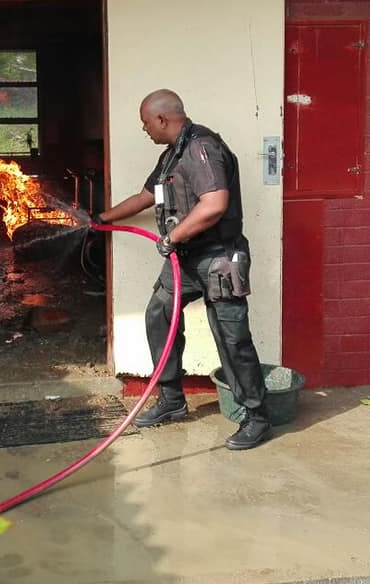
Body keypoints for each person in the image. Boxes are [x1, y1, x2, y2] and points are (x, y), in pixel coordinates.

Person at [91, 89, 270, 450]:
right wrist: (101, 219)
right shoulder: (171, 155)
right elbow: (146, 196)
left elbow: (215, 204)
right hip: (186, 259)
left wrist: (172, 237)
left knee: (231, 337)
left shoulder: (201, 148)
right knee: (159, 315)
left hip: (219, 258)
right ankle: (172, 400)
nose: (144, 129)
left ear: (163, 119)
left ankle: (257, 416)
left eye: (146, 122)